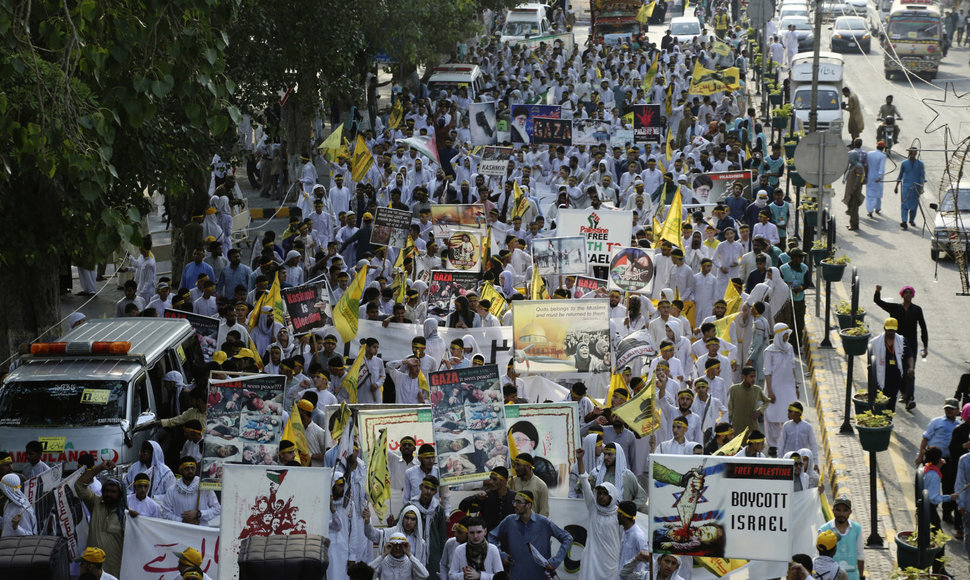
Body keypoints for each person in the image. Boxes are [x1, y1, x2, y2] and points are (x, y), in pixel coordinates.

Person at [488, 490, 572, 580]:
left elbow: (567, 538)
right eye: (514, 501)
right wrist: (501, 555)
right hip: (516, 575)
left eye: (519, 502)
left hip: (540, 576)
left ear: (529, 505)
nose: (514, 505)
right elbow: (492, 536)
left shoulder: (544, 522)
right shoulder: (509, 521)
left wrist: (555, 561)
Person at [873, 284, 927, 410]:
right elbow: (878, 302)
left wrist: (925, 346)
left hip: (911, 345)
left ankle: (910, 398)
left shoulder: (917, 310)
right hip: (896, 345)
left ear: (913, 295)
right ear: (902, 295)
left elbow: (923, 327)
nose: (908, 294)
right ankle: (903, 393)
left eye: (910, 292)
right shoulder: (895, 308)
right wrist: (877, 291)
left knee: (910, 371)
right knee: (899, 370)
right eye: (906, 292)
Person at [575, 448, 621, 580]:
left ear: (612, 496)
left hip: (611, 562)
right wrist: (579, 460)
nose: (601, 497)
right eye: (599, 493)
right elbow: (584, 482)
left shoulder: (619, 514)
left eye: (605, 494)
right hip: (592, 561)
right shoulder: (593, 507)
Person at [75, 460, 126, 577]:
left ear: (120, 494)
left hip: (113, 569)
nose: (108, 494)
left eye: (113, 492)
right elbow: (79, 485)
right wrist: (99, 468)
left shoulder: (126, 515)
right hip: (91, 568)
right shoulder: (96, 503)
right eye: (106, 490)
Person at [764, 324, 799, 455]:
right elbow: (767, 372)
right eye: (785, 334)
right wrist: (770, 391)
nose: (787, 337)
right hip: (774, 387)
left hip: (788, 387)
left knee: (788, 415)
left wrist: (796, 386)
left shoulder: (789, 348)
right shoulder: (769, 351)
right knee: (772, 416)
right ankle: (773, 444)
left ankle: (786, 442)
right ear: (779, 335)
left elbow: (792, 367)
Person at [158, 457, 221, 526]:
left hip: (200, 530)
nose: (190, 471)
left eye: (192, 468)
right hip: (180, 531)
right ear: (180, 470)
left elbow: (217, 509)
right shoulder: (172, 490)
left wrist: (198, 514)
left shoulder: (204, 487)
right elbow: (164, 513)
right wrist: (181, 520)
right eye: (187, 468)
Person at [819, 496, 864, 580]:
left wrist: (861, 576)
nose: (841, 514)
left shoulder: (857, 529)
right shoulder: (824, 530)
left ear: (850, 512)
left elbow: (860, 554)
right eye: (838, 510)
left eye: (845, 510)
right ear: (833, 510)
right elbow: (821, 558)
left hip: (852, 577)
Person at [869, 317, 908, 413]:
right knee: (880, 399)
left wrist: (910, 367)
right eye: (888, 330)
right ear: (884, 328)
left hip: (895, 377)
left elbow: (909, 355)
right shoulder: (875, 342)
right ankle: (879, 416)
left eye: (892, 330)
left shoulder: (901, 341)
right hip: (881, 376)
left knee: (892, 399)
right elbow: (870, 358)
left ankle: (889, 418)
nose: (890, 332)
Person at [727, 366, 770, 434]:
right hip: (737, 426)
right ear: (744, 376)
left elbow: (767, 401)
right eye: (751, 376)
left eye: (754, 376)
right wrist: (728, 423)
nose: (753, 379)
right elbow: (730, 408)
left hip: (752, 425)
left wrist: (760, 411)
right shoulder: (734, 389)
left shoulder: (757, 389)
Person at [895, 146, 925, 229]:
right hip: (906, 187)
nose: (912, 155)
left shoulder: (920, 164)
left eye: (914, 153)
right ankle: (904, 221)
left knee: (914, 206)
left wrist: (922, 187)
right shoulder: (904, 163)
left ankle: (911, 220)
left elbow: (922, 176)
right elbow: (900, 175)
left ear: (916, 154)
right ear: (909, 153)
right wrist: (896, 186)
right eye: (911, 153)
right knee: (904, 204)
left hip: (916, 188)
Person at [842, 151, 866, 231]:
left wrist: (853, 189)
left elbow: (858, 180)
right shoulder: (852, 166)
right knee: (851, 207)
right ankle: (853, 224)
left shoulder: (858, 166)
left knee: (854, 209)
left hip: (854, 192)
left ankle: (854, 225)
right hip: (851, 191)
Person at [865, 142, 887, 217]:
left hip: (870, 176)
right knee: (878, 193)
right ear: (883, 148)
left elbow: (866, 165)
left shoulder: (869, 154)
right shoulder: (883, 156)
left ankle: (870, 211)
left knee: (869, 194)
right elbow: (882, 168)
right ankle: (877, 208)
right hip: (878, 177)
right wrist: (880, 177)